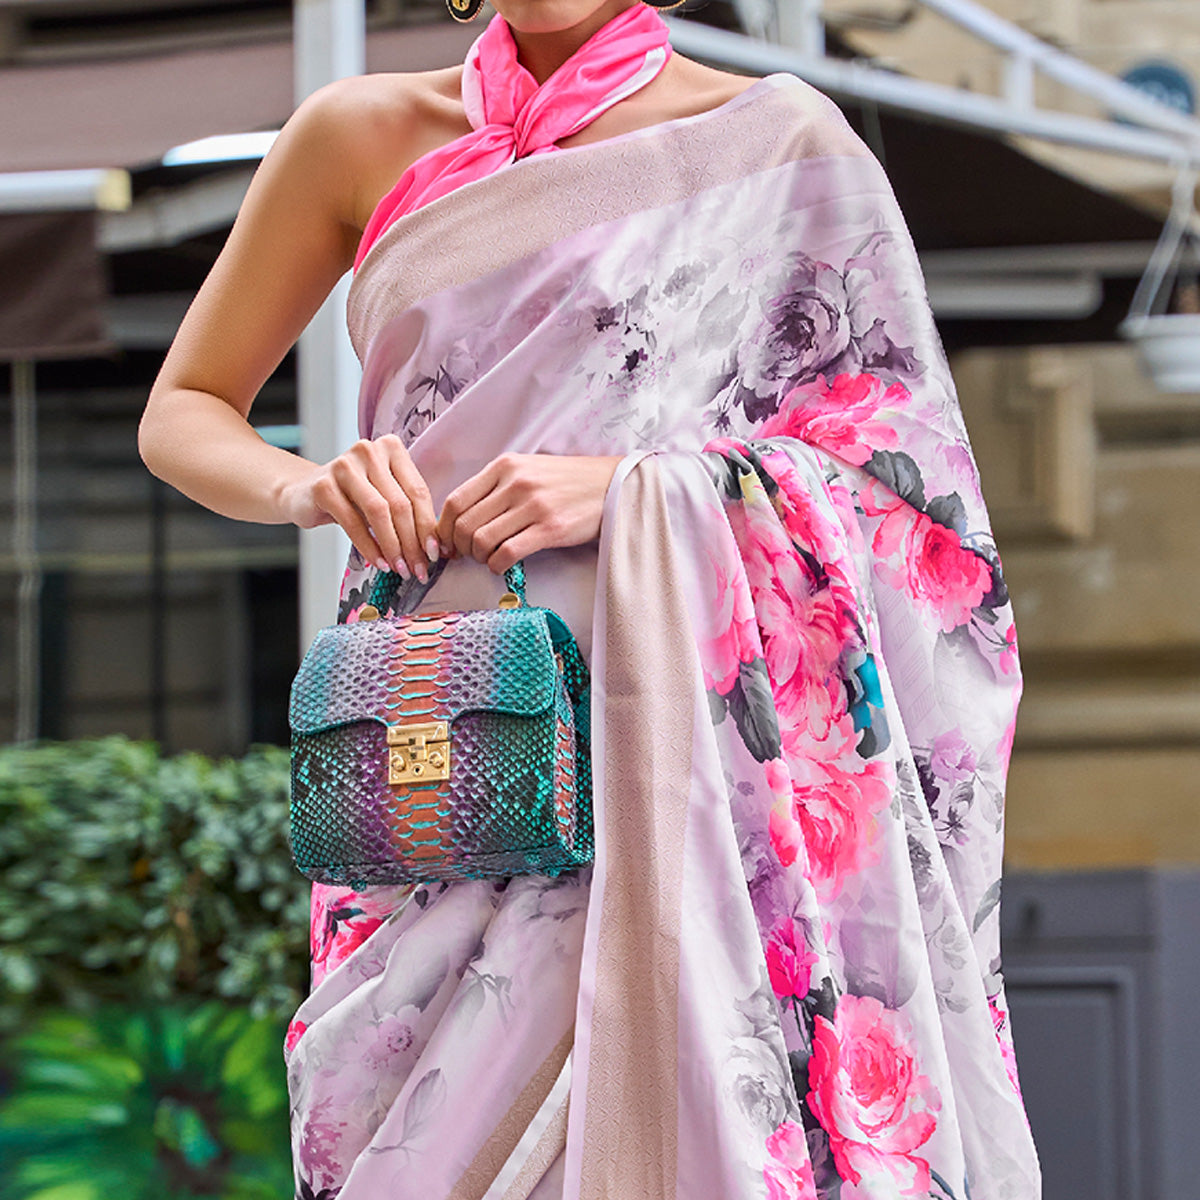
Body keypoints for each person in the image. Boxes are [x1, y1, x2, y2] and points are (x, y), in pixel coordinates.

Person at [138, 0, 1043, 1197]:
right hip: (442, 745)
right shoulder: (354, 136)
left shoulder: (776, 143)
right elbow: (184, 407)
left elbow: (906, 497)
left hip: (685, 763)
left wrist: (633, 493)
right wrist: (306, 484)